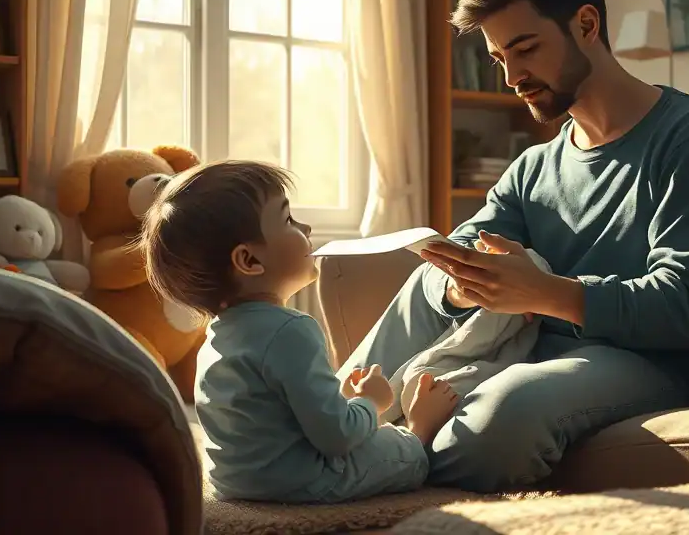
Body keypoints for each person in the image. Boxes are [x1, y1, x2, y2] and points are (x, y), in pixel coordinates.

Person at [337, 0, 689, 492]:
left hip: (654, 361)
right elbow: (467, 246)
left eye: (526, 49)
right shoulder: (535, 166)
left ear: (586, 25)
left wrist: (544, 293)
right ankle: (320, 433)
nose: (512, 76)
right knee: (428, 284)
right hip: (533, 349)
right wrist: (463, 284)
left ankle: (385, 455)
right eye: (498, 59)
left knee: (495, 422)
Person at [141, 160, 459, 503]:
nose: (305, 228)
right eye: (288, 220)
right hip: (302, 482)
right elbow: (338, 437)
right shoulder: (291, 331)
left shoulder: (216, 339)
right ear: (249, 261)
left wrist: (345, 402)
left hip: (236, 484)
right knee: (392, 448)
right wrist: (371, 401)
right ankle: (420, 430)